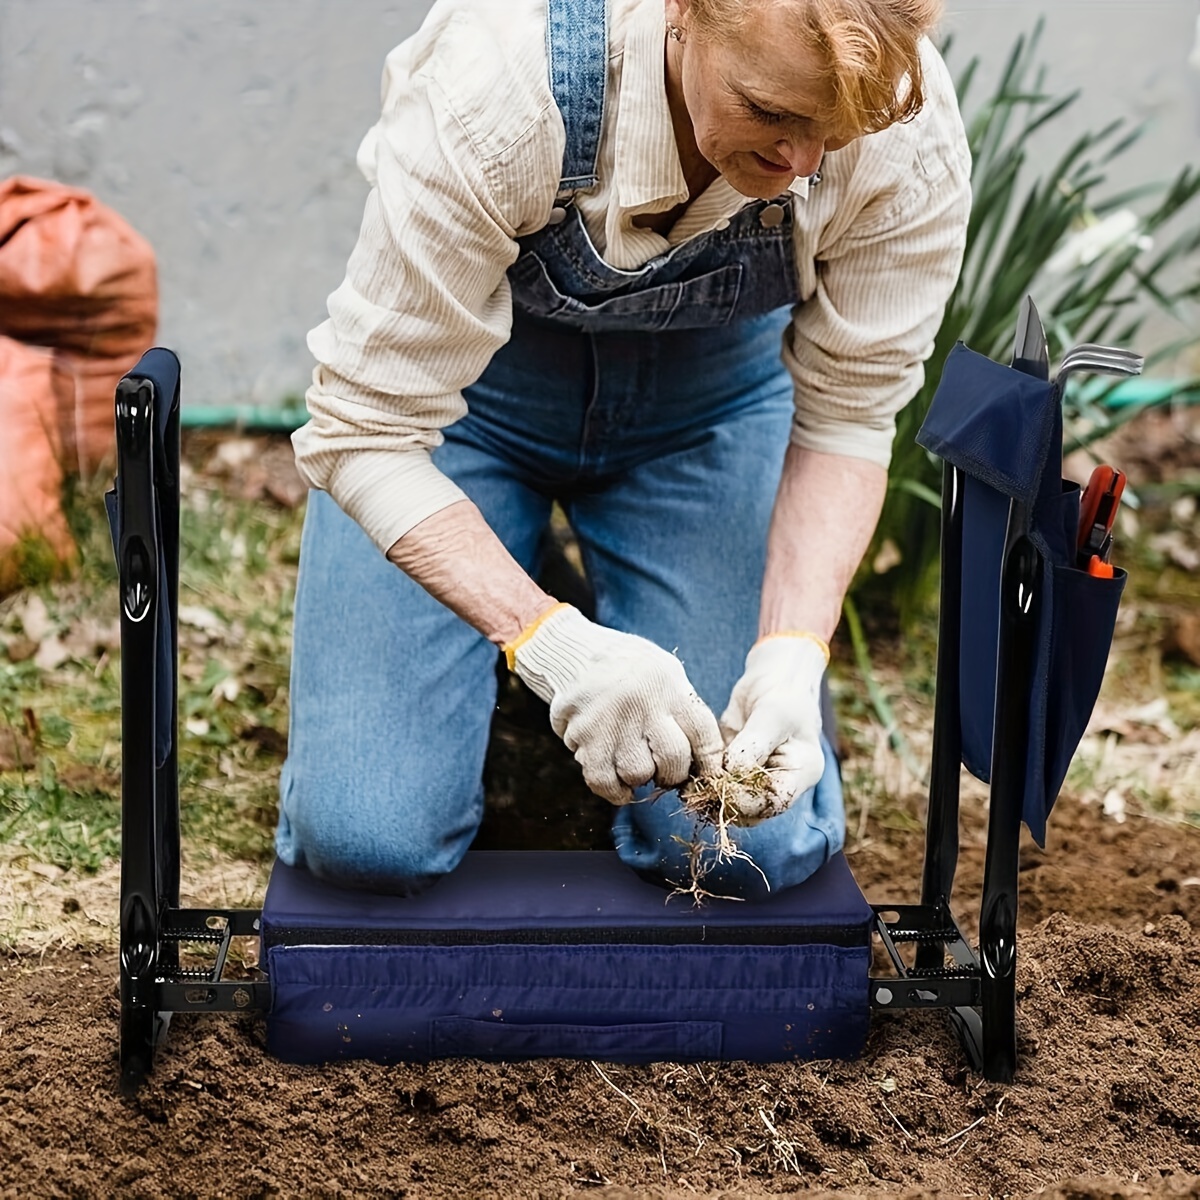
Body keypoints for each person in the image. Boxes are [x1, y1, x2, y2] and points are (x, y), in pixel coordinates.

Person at [278, 0, 971, 899]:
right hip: (468, 401)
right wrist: (552, 647)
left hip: (708, 409)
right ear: (684, 14)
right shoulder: (502, 87)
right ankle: (536, 652)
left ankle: (601, 625)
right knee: (366, 840)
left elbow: (847, 418)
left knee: (747, 849)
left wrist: (792, 653)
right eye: (767, 111)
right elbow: (367, 429)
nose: (801, 159)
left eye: (832, 131)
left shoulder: (905, 133)